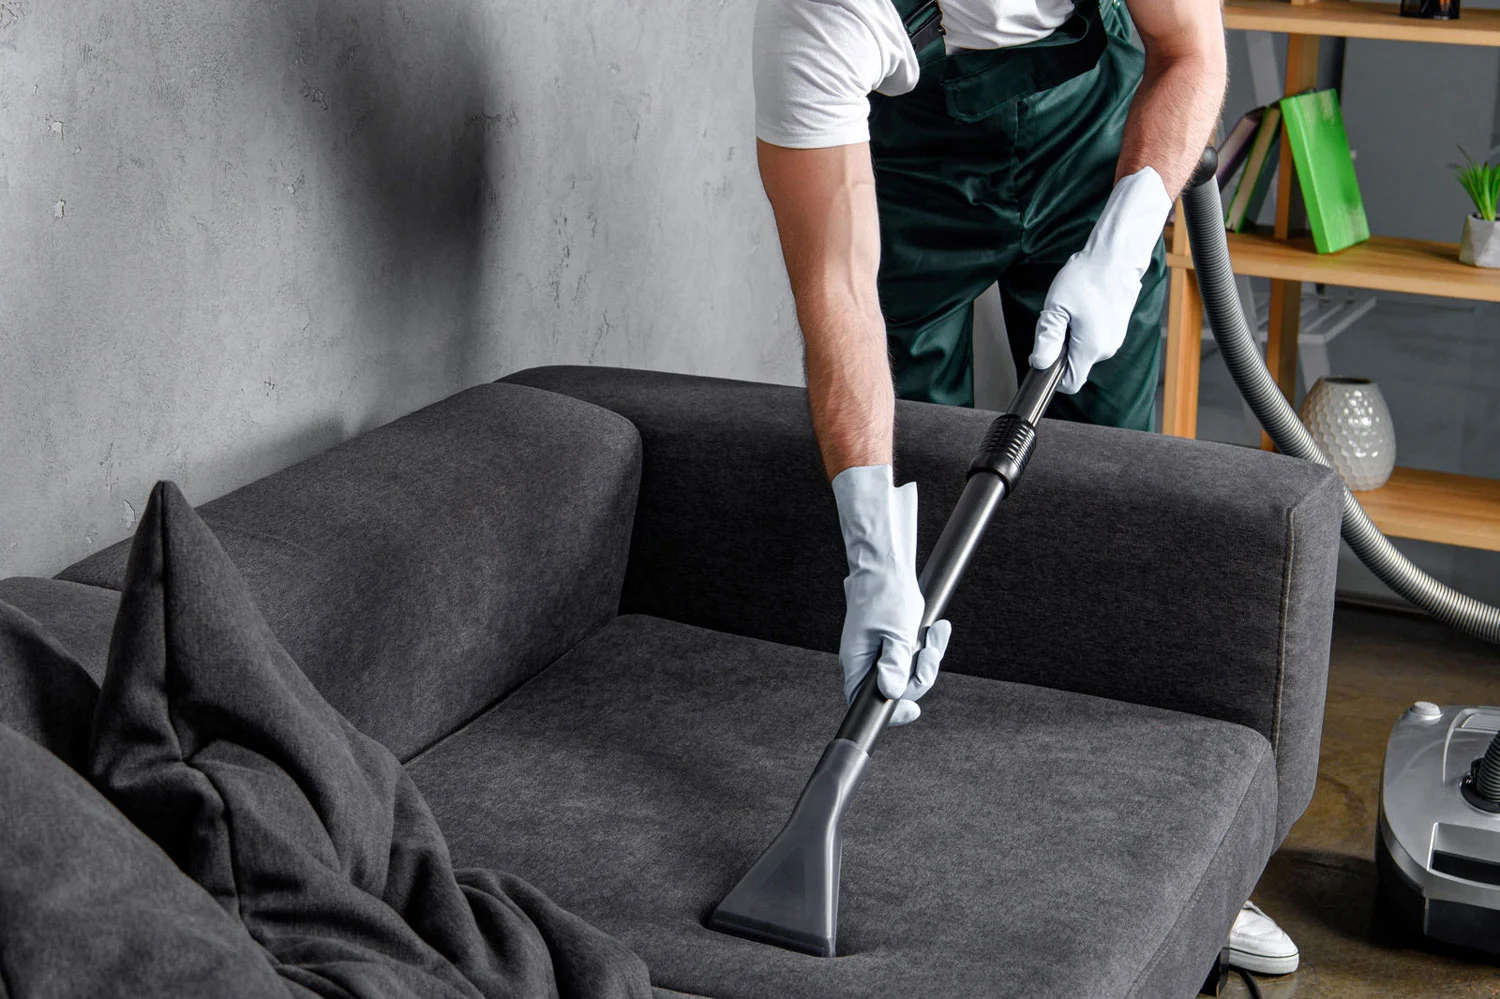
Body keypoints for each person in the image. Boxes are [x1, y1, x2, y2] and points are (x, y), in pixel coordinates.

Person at [750, 0, 1298, 976]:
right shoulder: (818, 17)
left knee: (1116, 497)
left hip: (1095, 144)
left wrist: (1128, 235)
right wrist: (871, 552)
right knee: (916, 505)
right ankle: (906, 843)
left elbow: (1191, 52)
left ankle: (1182, 867)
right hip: (913, 176)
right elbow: (835, 285)